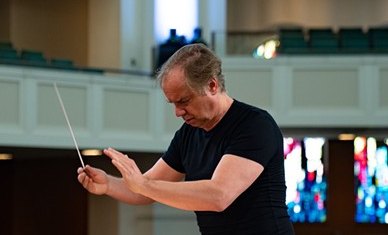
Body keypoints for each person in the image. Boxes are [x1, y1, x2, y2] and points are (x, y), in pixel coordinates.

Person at [77, 43, 295, 234]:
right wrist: (108, 184)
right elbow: (145, 190)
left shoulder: (254, 125)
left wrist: (143, 184)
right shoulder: (188, 134)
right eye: (172, 103)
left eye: (184, 101)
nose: (178, 112)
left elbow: (218, 196)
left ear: (212, 85)